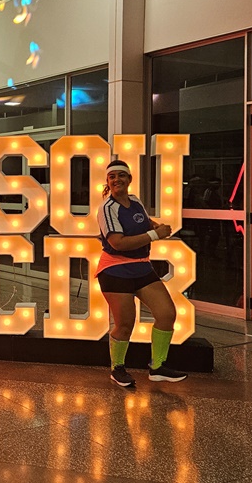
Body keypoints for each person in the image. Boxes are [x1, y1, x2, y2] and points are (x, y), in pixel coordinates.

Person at [97, 159, 187, 387]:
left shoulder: (135, 201)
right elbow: (117, 243)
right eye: (112, 176)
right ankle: (117, 369)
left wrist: (154, 225)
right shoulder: (107, 208)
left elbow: (144, 221)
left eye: (121, 175)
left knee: (166, 314)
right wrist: (155, 235)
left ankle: (158, 367)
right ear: (107, 181)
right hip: (115, 270)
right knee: (125, 324)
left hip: (141, 267)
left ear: (129, 179)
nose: (117, 179)